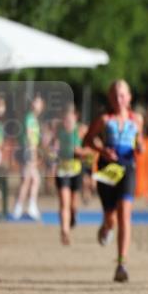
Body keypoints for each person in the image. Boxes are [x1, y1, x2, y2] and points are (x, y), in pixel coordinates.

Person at [83, 80, 144, 282]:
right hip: (107, 169)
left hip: (128, 168)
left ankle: (121, 263)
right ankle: (106, 226)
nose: (119, 99)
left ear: (129, 97)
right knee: (112, 217)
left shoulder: (137, 120)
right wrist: (103, 150)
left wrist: (140, 146)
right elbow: (88, 139)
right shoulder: (104, 119)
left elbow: (140, 142)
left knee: (125, 213)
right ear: (110, 98)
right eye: (115, 95)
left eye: (123, 95)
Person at [54, 104, 88, 245]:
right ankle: (65, 232)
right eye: (65, 120)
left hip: (76, 171)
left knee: (73, 205)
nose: (67, 123)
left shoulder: (81, 130)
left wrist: (82, 152)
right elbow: (51, 146)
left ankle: (73, 216)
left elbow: (91, 146)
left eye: (70, 120)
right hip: (62, 171)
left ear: (76, 117)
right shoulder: (59, 131)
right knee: (64, 203)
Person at [11, 95, 45, 221]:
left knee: (34, 179)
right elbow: (29, 137)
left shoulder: (32, 118)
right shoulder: (30, 118)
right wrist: (33, 154)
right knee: (27, 180)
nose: (39, 105)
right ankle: (20, 207)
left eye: (40, 103)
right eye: (37, 102)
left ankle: (28, 206)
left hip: (29, 151)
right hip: (28, 151)